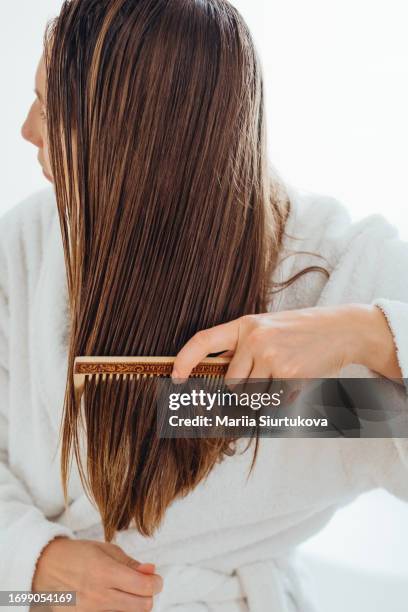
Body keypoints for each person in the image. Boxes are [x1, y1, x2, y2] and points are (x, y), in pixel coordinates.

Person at [1, 0, 408, 610]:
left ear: (138, 142)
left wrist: (369, 333)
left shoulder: (332, 269)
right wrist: (34, 562)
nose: (27, 130)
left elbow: (377, 427)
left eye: (50, 109)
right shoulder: (28, 244)